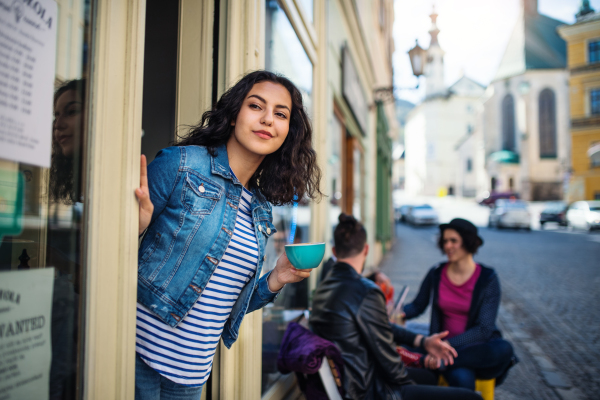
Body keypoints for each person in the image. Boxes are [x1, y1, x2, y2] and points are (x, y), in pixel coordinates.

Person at [134, 70, 322, 399]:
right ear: (234, 113)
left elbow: (224, 303)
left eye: (280, 114)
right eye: (256, 106)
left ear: (287, 132)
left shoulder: (260, 210)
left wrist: (276, 278)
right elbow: (110, 246)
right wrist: (132, 228)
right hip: (137, 359)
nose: (267, 120)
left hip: (191, 377)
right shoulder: (181, 165)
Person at [310, 214, 483, 400]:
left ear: (335, 252)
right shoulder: (367, 292)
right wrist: (409, 385)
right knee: (472, 398)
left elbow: (382, 328)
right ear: (366, 250)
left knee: (430, 376)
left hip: (352, 381)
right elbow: (388, 357)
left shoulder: (323, 289)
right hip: (368, 389)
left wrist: (421, 341)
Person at [403, 218, 517, 390]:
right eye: (445, 241)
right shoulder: (436, 273)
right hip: (446, 352)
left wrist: (447, 347)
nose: (447, 246)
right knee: (462, 378)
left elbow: (484, 329)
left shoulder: (488, 278)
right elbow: (418, 305)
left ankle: (441, 361)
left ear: (468, 242)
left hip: (476, 351)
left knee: (505, 348)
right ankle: (444, 361)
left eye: (453, 241)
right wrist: (396, 312)